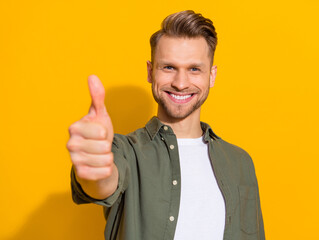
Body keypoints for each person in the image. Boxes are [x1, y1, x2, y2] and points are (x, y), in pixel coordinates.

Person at [68, 10, 265, 240]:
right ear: (151, 72)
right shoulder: (125, 151)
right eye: (169, 67)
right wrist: (94, 168)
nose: (180, 84)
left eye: (194, 69)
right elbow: (102, 182)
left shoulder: (240, 162)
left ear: (211, 75)